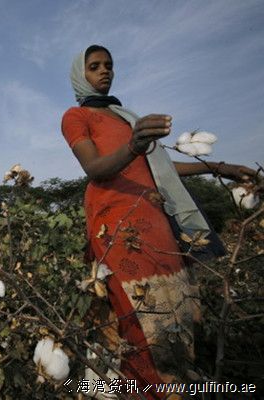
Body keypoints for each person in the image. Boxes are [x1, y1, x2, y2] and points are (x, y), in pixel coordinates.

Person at [60, 45, 256, 398]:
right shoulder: (76, 117)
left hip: (157, 223)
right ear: (81, 75)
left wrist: (219, 168)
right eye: (94, 67)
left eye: (109, 65)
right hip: (117, 226)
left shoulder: (125, 117)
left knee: (173, 322)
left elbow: (159, 167)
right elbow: (94, 168)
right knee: (138, 327)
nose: (104, 71)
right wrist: (135, 145)